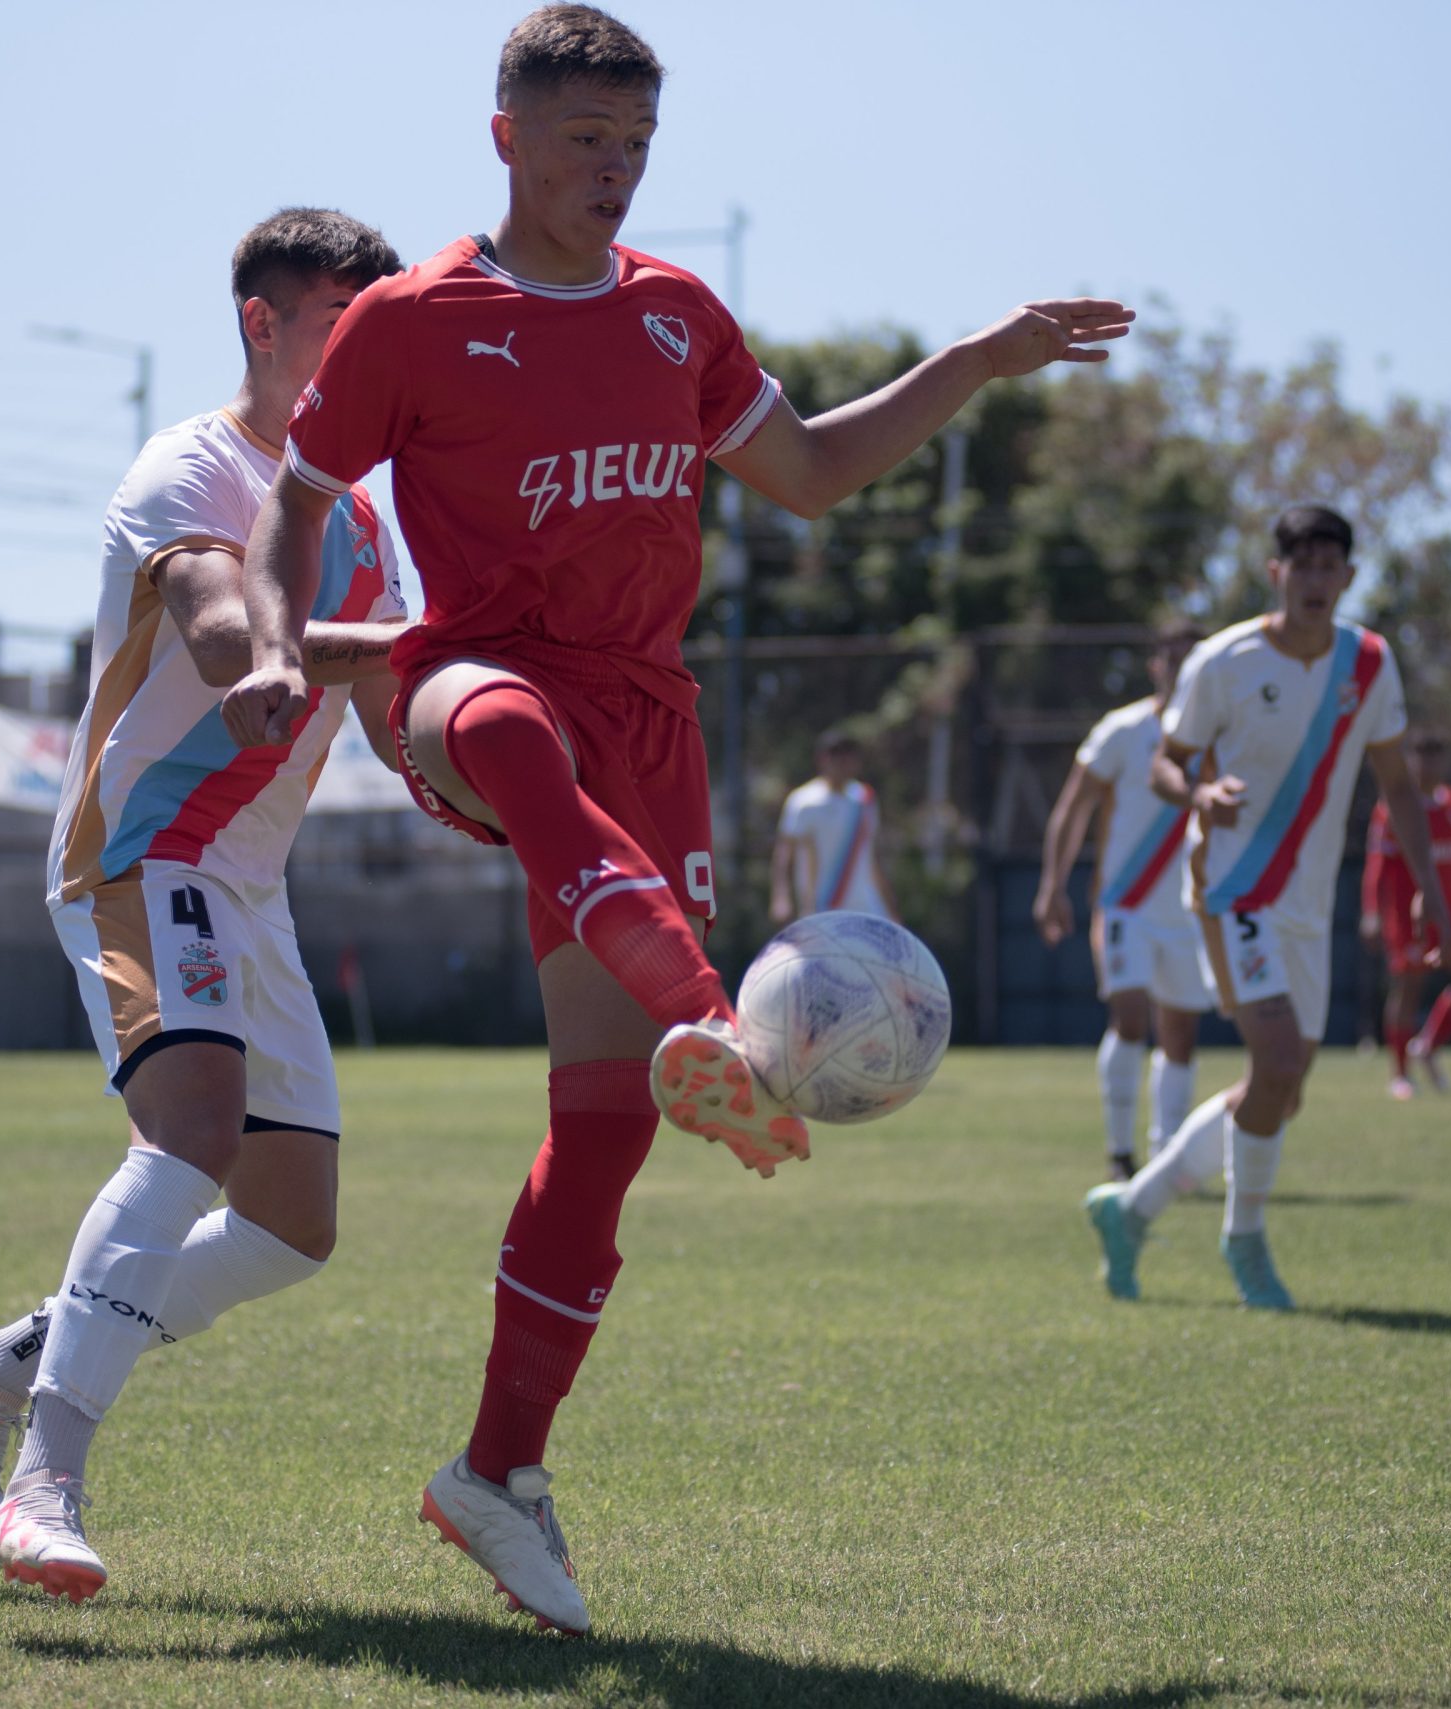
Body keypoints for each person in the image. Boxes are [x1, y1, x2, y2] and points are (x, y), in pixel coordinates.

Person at [219, 4, 1133, 1633]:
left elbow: (812, 469)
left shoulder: (675, 316)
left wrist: (978, 361)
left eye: (638, 148)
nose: (617, 175)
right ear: (506, 135)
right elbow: (301, 498)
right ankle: (710, 1015)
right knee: (502, 723)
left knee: (606, 1119)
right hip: (474, 679)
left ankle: (496, 1472)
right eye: (586, 144)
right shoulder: (417, 318)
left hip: (644, 724)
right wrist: (289, 649)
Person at [0, 210, 411, 1603]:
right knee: (188, 1130)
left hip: (250, 882)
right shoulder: (189, 463)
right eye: (342, 325)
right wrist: (268, 658)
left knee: (291, 1225)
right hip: (141, 853)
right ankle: (40, 1487)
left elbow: (386, 688)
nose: (372, 352)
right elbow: (215, 607)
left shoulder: (361, 512)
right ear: (264, 324)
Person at [1082, 506, 1451, 1311]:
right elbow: (1165, 769)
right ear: (1276, 573)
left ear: (1349, 577)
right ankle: (1244, 1239)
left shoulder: (1371, 662)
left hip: (1306, 905)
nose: (1318, 579)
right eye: (1303, 564)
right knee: (1279, 1063)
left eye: (1332, 566)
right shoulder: (1225, 660)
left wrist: (1427, 882)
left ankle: (1130, 1207)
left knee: (1281, 1087)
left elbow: (1397, 784)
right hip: (1231, 887)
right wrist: (1200, 793)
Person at [1032, 624, 1208, 1179]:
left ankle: (1167, 1155)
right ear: (1155, 665)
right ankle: (1118, 1151)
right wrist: (1052, 885)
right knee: (1129, 1015)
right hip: (1126, 902)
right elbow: (1073, 806)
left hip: (1189, 909)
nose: (1179, 668)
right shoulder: (1122, 729)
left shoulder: (1220, 736)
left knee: (1180, 1030)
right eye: (1170, 657)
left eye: (1191, 659)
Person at [1361, 729, 1451, 1097]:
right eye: (1421, 757)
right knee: (1408, 989)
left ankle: (1426, 1046)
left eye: (1436, 757)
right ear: (1410, 762)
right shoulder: (1393, 808)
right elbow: (1376, 866)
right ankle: (1400, 1074)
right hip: (1409, 915)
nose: (1428, 765)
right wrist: (1371, 913)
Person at [771, 728, 897, 924]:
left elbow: (871, 856)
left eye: (850, 758)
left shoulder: (864, 799)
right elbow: (785, 852)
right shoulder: (804, 801)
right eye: (838, 758)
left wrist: (890, 909)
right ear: (823, 759)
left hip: (866, 908)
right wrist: (781, 897)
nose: (844, 765)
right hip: (822, 908)